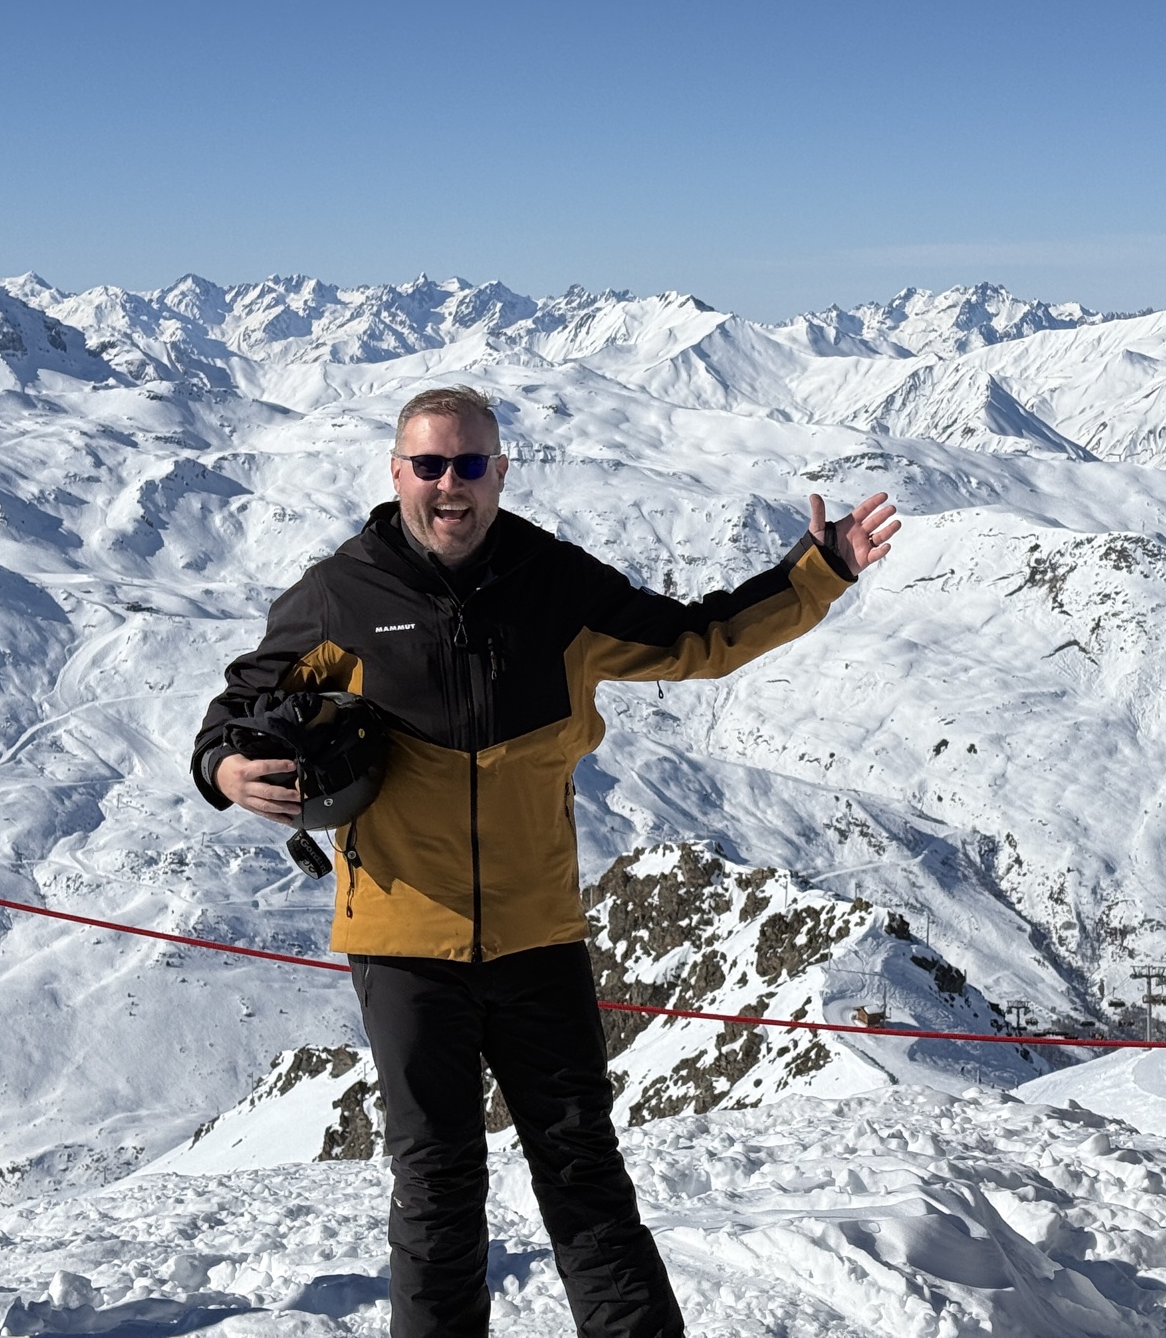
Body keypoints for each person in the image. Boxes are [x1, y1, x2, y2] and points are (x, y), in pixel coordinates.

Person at [191, 385, 898, 1338]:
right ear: (396, 473)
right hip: (403, 946)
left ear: (501, 473)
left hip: (538, 936)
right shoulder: (340, 594)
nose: (452, 485)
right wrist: (227, 767)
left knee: (585, 1182)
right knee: (437, 1196)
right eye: (431, 465)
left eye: (471, 465)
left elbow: (699, 639)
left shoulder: (554, 582)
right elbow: (240, 702)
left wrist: (818, 572)